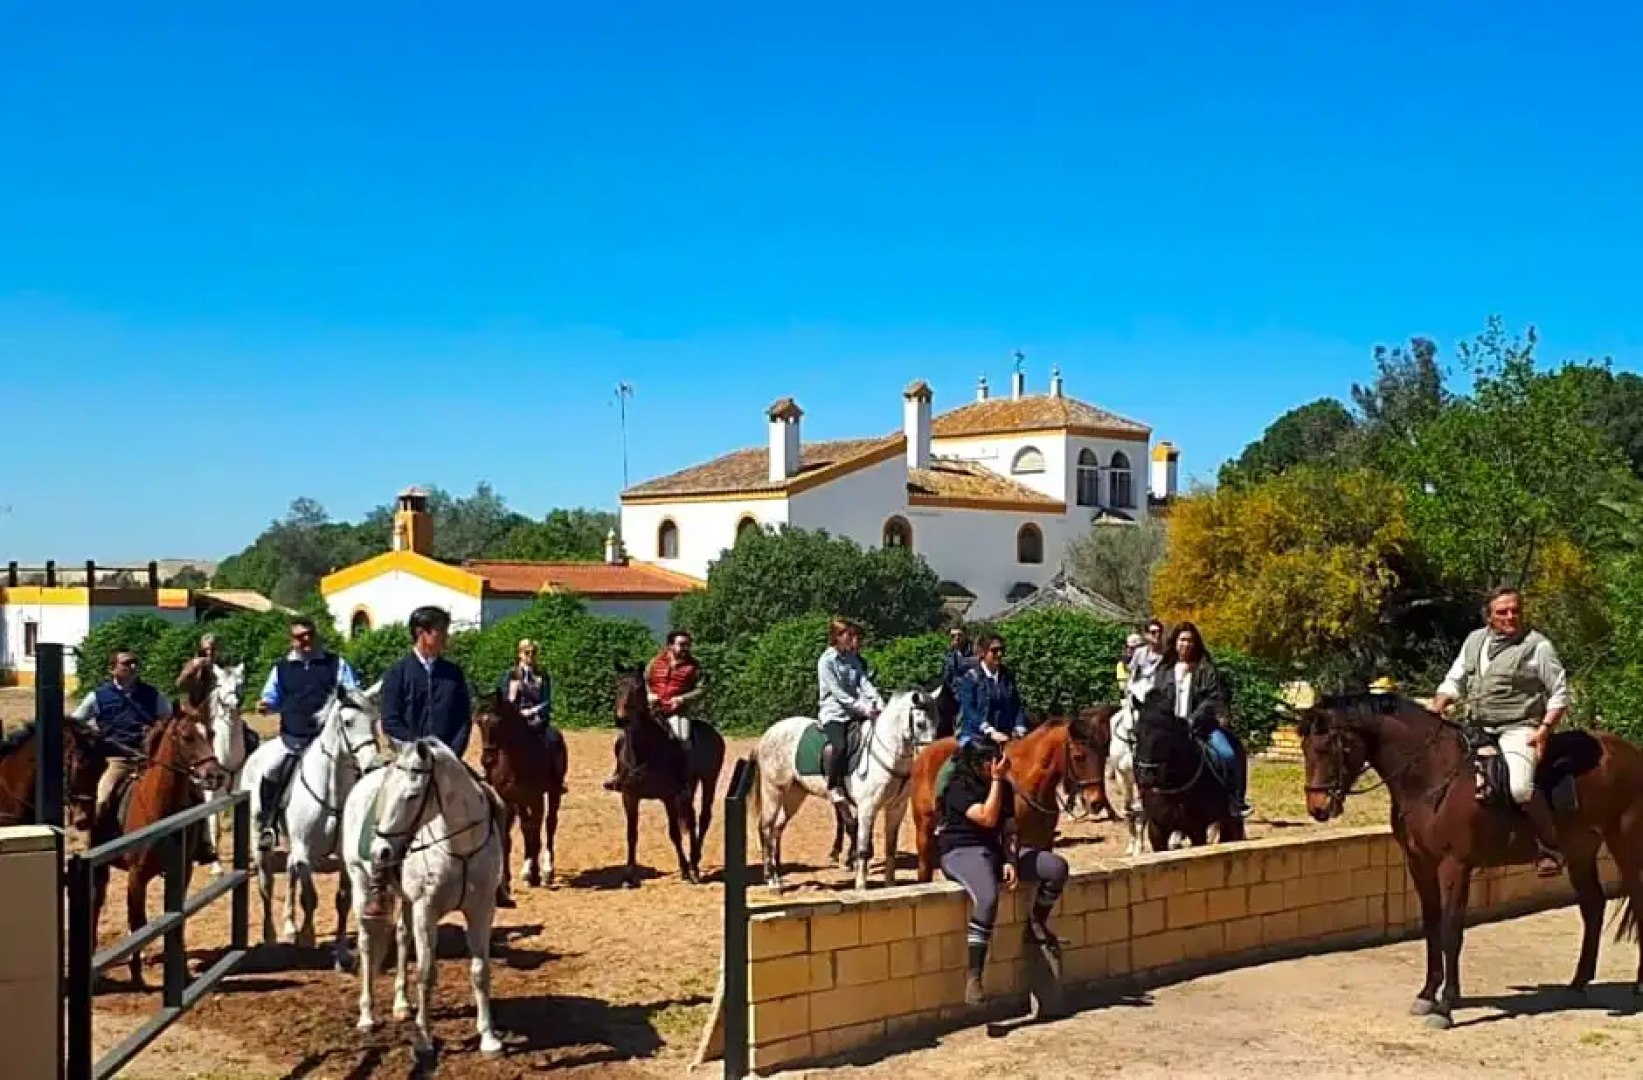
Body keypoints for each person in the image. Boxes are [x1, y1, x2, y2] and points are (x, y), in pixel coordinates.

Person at [1431, 586, 1570, 877]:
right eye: (1502, 612)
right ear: (1489, 617)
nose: (1510, 617)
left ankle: (1549, 846)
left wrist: (1544, 731)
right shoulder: (1474, 641)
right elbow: (1455, 678)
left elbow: (1559, 693)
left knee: (1519, 787)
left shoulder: (1538, 646)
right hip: (1477, 725)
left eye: (1515, 611)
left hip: (1519, 727)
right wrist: (1440, 702)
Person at [369, 605, 490, 917]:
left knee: (493, 802)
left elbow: (463, 719)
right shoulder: (397, 673)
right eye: (441, 630)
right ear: (423, 634)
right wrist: (414, 754)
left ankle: (493, 880)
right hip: (409, 764)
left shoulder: (453, 673)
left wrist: (449, 755)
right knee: (381, 809)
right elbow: (391, 720)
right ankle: (378, 886)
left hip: (448, 762)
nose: (446, 636)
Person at [937, 739, 1069, 1006]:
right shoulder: (959, 787)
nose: (997, 765)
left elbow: (1009, 829)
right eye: (990, 761)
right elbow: (986, 817)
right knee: (987, 898)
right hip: (963, 850)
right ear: (976, 764)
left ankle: (1037, 922)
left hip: (994, 851)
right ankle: (975, 975)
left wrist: (1010, 858)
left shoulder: (1004, 787)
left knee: (1056, 868)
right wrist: (997, 782)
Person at [254, 616, 361, 852]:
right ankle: (269, 825)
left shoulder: (336, 664)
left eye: (310, 634)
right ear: (291, 641)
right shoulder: (281, 669)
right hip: (293, 739)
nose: (306, 641)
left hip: (330, 741)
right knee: (271, 770)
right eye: (300, 637)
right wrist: (265, 705)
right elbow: (271, 697)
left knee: (362, 770)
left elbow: (354, 694)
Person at [1153, 622, 1250, 818]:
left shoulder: (1206, 668)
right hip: (1169, 730)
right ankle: (1144, 800)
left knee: (1229, 754)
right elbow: (1157, 697)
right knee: (1145, 757)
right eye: (1182, 640)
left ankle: (1235, 801)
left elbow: (1211, 699)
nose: (1186, 644)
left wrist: (1192, 720)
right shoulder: (1163, 670)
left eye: (1190, 640)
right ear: (1174, 642)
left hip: (1202, 729)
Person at [74, 649, 172, 827]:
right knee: (103, 798)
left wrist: (158, 730)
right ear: (112, 669)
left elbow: (170, 721)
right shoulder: (97, 696)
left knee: (191, 793)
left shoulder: (154, 695)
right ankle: (99, 839)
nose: (133, 666)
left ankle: (203, 842)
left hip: (150, 758)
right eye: (127, 663)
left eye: (135, 662)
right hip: (117, 760)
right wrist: (92, 735)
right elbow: (75, 723)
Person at [817, 617, 884, 804]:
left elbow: (863, 682)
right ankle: (833, 786)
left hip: (854, 711)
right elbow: (839, 694)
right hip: (834, 713)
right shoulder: (826, 661)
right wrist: (864, 709)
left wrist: (878, 701)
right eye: (848, 634)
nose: (851, 638)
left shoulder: (851, 658)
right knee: (840, 746)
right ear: (837, 636)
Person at [956, 633, 1029, 749]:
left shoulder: (1008, 676)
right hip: (977, 737)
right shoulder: (970, 678)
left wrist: (1020, 727)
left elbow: (1017, 705)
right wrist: (990, 731)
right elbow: (969, 710)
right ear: (982, 653)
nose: (999, 654)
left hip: (1006, 736)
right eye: (994, 651)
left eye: (1002, 650)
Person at [1125, 619, 1166, 708]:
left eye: (1160, 632)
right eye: (1153, 632)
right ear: (1146, 635)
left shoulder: (1167, 655)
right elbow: (1133, 673)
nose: (1157, 635)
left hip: (1158, 695)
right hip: (1138, 694)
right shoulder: (1140, 652)